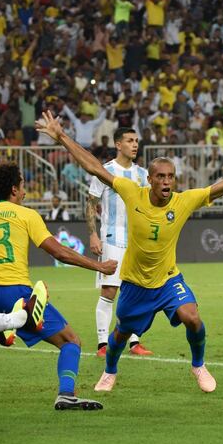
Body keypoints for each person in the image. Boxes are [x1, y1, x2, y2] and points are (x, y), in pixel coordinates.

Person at [37, 110, 223, 393]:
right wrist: (61, 137)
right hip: (135, 283)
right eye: (161, 177)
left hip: (168, 280)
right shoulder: (133, 192)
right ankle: (109, 370)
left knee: (192, 317)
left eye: (171, 176)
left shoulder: (184, 201)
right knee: (121, 333)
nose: (167, 181)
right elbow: (95, 168)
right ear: (151, 179)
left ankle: (198, 364)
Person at [0, 162, 118, 410]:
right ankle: (66, 394)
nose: (24, 192)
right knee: (70, 341)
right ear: (13, 189)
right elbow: (60, 253)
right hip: (17, 296)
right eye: (22, 186)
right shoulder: (26, 215)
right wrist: (99, 267)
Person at [87, 127, 153, 358]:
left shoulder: (143, 175)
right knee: (109, 290)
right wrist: (93, 234)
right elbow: (91, 202)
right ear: (118, 144)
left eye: (136, 141)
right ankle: (103, 344)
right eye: (129, 141)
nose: (135, 145)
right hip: (112, 238)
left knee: (136, 291)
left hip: (136, 242)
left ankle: (134, 341)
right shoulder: (105, 172)